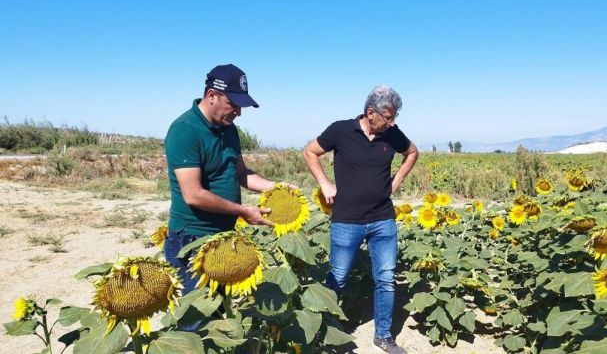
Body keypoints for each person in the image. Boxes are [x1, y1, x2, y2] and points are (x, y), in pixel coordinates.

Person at [302, 85, 419, 354]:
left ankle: (383, 336)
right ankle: (325, 332)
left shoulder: (392, 134)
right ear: (370, 113)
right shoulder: (341, 130)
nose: (393, 122)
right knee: (338, 278)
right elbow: (310, 152)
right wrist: (325, 184)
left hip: (382, 219)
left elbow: (412, 153)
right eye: (388, 117)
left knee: (386, 278)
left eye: (394, 117)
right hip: (346, 220)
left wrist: (396, 181)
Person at [163, 63, 277, 294]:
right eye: (233, 104)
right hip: (192, 237)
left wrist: (276, 187)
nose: (238, 112)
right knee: (195, 316)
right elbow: (193, 195)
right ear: (211, 95)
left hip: (224, 234)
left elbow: (241, 174)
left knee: (219, 308)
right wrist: (243, 211)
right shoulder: (185, 130)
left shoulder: (228, 129)